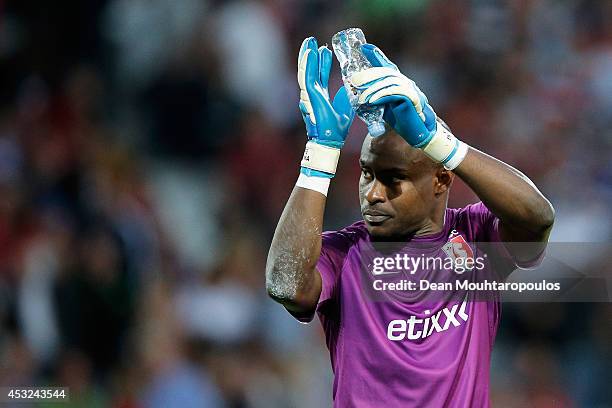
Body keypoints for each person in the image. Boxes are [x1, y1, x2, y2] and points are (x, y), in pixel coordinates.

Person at [265, 37, 555, 407]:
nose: (372, 193)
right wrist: (320, 156)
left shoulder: (476, 238)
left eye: (392, 179)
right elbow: (286, 285)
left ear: (440, 179)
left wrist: (443, 145)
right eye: (367, 174)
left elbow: (538, 218)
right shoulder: (344, 254)